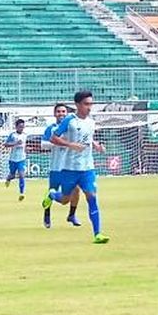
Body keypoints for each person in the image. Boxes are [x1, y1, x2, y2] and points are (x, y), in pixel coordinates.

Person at [43, 90, 110, 244]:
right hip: (70, 168)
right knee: (65, 199)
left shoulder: (91, 122)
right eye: (86, 104)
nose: (89, 107)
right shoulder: (69, 120)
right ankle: (52, 195)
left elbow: (88, 138)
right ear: (78, 105)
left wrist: (97, 146)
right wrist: (70, 145)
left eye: (91, 104)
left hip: (87, 168)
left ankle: (97, 234)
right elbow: (53, 138)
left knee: (92, 197)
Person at [41, 103, 81, 228]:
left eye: (63, 111)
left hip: (70, 166)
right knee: (52, 192)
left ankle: (72, 215)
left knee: (76, 190)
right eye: (58, 111)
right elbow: (43, 144)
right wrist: (58, 143)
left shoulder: (72, 128)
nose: (61, 114)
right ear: (54, 114)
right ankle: (47, 215)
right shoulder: (51, 128)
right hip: (56, 167)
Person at [4, 119, 28, 201]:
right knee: (12, 175)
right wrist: (15, 143)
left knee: (22, 175)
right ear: (16, 127)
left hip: (21, 158)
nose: (22, 128)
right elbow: (6, 144)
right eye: (20, 127)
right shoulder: (13, 135)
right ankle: (8, 179)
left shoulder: (25, 135)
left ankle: (22, 193)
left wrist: (27, 149)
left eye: (23, 126)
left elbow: (24, 146)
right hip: (13, 159)